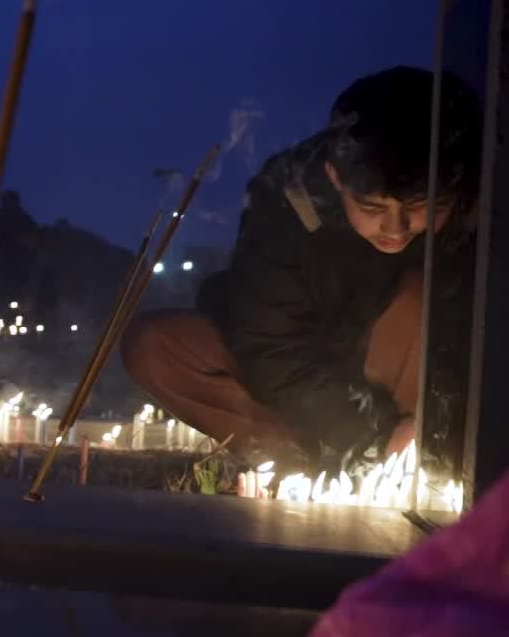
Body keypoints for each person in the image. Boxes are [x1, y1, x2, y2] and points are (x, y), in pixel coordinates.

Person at [122, 66, 483, 470]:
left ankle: (396, 461)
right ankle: (301, 465)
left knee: (419, 298)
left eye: (420, 207)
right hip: (299, 371)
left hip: (397, 386)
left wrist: (401, 430)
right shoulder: (286, 200)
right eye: (372, 207)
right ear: (335, 178)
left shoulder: (474, 220)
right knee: (155, 347)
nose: (395, 228)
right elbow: (266, 342)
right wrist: (362, 431)